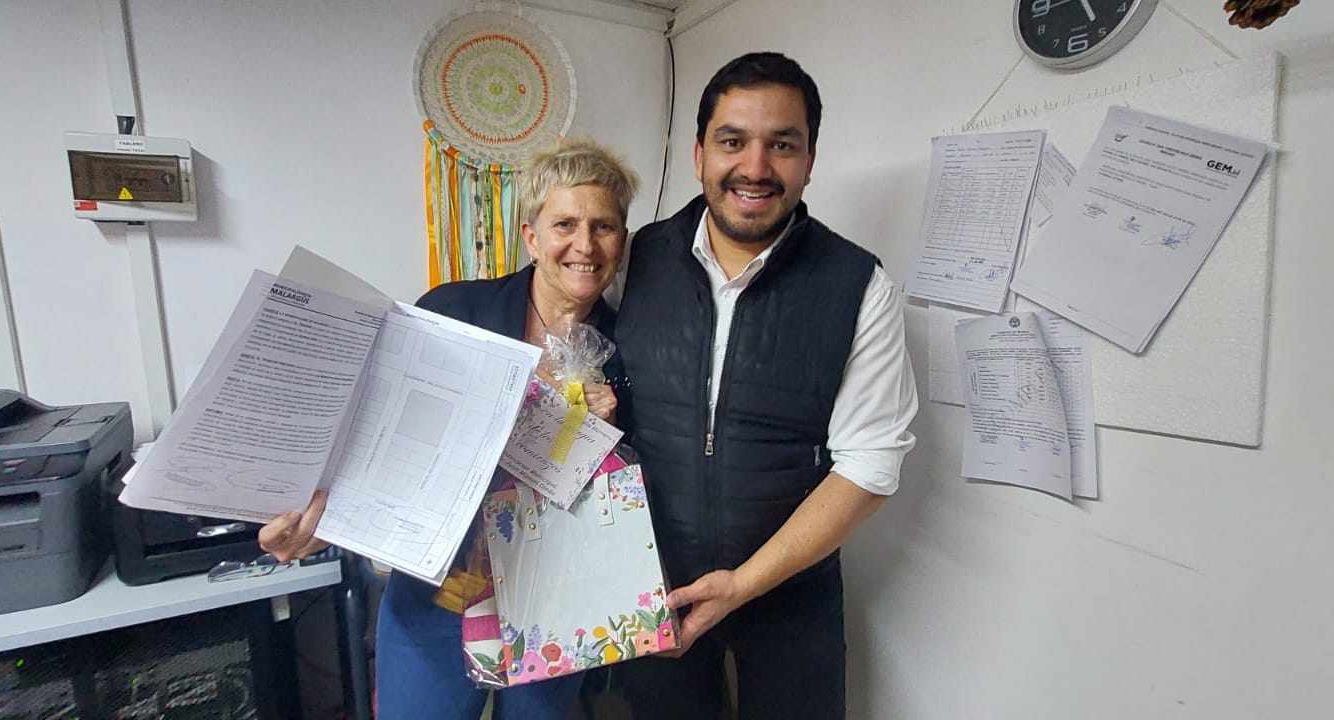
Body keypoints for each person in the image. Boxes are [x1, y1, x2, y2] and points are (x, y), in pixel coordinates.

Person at [259, 138, 639, 720]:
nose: (584, 245)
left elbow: (635, 489)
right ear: (531, 236)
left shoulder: (631, 349)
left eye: (603, 227)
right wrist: (322, 521)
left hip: (557, 601)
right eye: (564, 224)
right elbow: (379, 439)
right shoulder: (452, 314)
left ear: (621, 241)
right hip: (436, 595)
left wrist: (605, 440)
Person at [613, 52, 919, 719]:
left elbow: (870, 463)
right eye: (733, 141)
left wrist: (744, 583)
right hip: (651, 578)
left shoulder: (859, 284)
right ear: (699, 154)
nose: (754, 168)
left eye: (782, 145)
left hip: (790, 589)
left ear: (809, 160)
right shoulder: (633, 259)